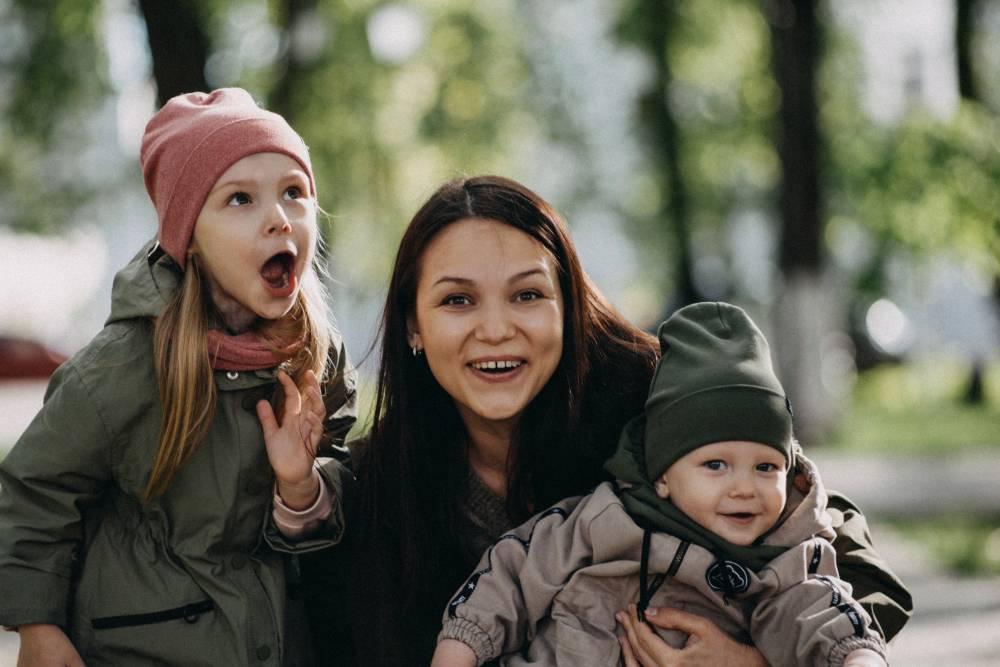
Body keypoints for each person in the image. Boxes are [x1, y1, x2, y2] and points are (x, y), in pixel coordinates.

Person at [297, 175, 911, 666]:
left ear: (569, 306)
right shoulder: (383, 485)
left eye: (527, 294)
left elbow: (843, 559)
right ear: (413, 325)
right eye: (458, 300)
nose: (495, 329)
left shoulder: (657, 405)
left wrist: (752, 661)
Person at [0, 88, 357, 666]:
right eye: (240, 199)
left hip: (273, 640)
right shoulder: (123, 365)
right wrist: (36, 626)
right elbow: (35, 491)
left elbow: (340, 482)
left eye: (294, 193)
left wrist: (302, 488)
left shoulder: (314, 354)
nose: (277, 218)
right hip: (138, 642)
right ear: (188, 238)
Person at [431, 302, 888, 667]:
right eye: (715, 465)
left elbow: (823, 613)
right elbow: (511, 572)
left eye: (766, 468)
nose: (744, 487)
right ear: (664, 474)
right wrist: (463, 645)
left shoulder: (782, 563)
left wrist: (857, 656)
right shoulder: (602, 518)